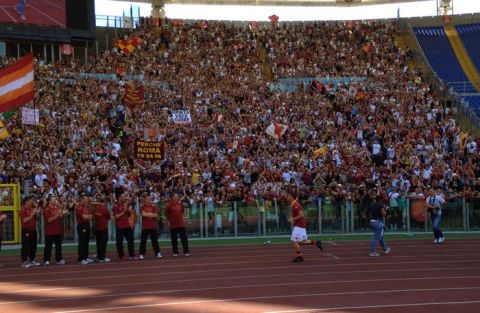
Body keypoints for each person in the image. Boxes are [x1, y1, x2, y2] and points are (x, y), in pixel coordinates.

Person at [285, 192, 323, 263]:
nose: (287, 198)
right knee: (302, 241)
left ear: (291, 197)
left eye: (288, 196)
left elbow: (301, 215)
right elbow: (298, 213)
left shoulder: (295, 204)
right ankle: (316, 242)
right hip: (300, 225)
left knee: (294, 241)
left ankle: (299, 257)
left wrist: (293, 219)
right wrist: (293, 219)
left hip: (299, 226)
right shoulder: (294, 204)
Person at [43, 196, 68, 266]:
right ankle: (46, 260)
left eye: (55, 199)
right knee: (48, 246)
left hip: (58, 230)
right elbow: (49, 220)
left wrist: (63, 213)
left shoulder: (57, 208)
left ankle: (59, 259)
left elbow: (60, 217)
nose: (55, 200)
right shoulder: (46, 210)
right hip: (50, 231)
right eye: (53, 199)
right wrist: (58, 214)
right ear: (49, 201)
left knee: (58, 246)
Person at [165, 192, 190, 257]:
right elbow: (166, 214)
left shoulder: (180, 204)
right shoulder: (168, 205)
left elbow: (182, 212)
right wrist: (168, 220)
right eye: (176, 196)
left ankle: (186, 252)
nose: (177, 197)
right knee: (174, 240)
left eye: (177, 196)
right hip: (173, 225)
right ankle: (175, 252)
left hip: (181, 224)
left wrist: (183, 218)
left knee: (184, 239)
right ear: (172, 198)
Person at [112, 192, 136, 260]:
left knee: (131, 240)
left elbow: (128, 215)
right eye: (123, 197)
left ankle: (131, 255)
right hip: (119, 226)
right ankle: (121, 256)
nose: (124, 198)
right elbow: (116, 217)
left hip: (127, 225)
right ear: (119, 198)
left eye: (124, 197)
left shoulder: (126, 205)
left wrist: (128, 210)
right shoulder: (115, 206)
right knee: (119, 242)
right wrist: (123, 211)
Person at [19, 196, 41, 268]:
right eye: (30, 201)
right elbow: (25, 220)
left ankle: (32, 260)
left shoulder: (32, 209)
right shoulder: (22, 210)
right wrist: (33, 214)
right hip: (26, 230)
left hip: (33, 229)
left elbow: (37, 219)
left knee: (33, 246)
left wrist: (37, 213)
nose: (32, 202)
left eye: (32, 201)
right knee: (25, 245)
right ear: (26, 202)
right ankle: (24, 261)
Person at [139, 195, 162, 260]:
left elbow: (155, 215)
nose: (149, 200)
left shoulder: (154, 206)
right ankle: (142, 254)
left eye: (150, 199)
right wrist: (150, 214)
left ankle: (157, 253)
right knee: (143, 241)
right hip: (145, 227)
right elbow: (143, 214)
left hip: (153, 226)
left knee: (155, 240)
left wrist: (147, 214)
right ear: (145, 200)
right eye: (147, 199)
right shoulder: (142, 206)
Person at [76, 195, 93, 265]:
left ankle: (85, 257)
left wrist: (88, 216)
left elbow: (90, 216)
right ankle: (81, 258)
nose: (87, 200)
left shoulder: (86, 207)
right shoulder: (79, 207)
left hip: (87, 224)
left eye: (87, 199)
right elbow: (84, 216)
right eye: (86, 199)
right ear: (82, 199)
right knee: (82, 242)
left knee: (86, 241)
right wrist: (88, 217)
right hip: (82, 225)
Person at [93, 195, 111, 263]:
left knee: (99, 242)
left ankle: (99, 256)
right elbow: (108, 216)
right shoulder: (104, 208)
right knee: (103, 242)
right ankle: (102, 257)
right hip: (103, 227)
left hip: (97, 227)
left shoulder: (96, 208)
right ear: (104, 201)